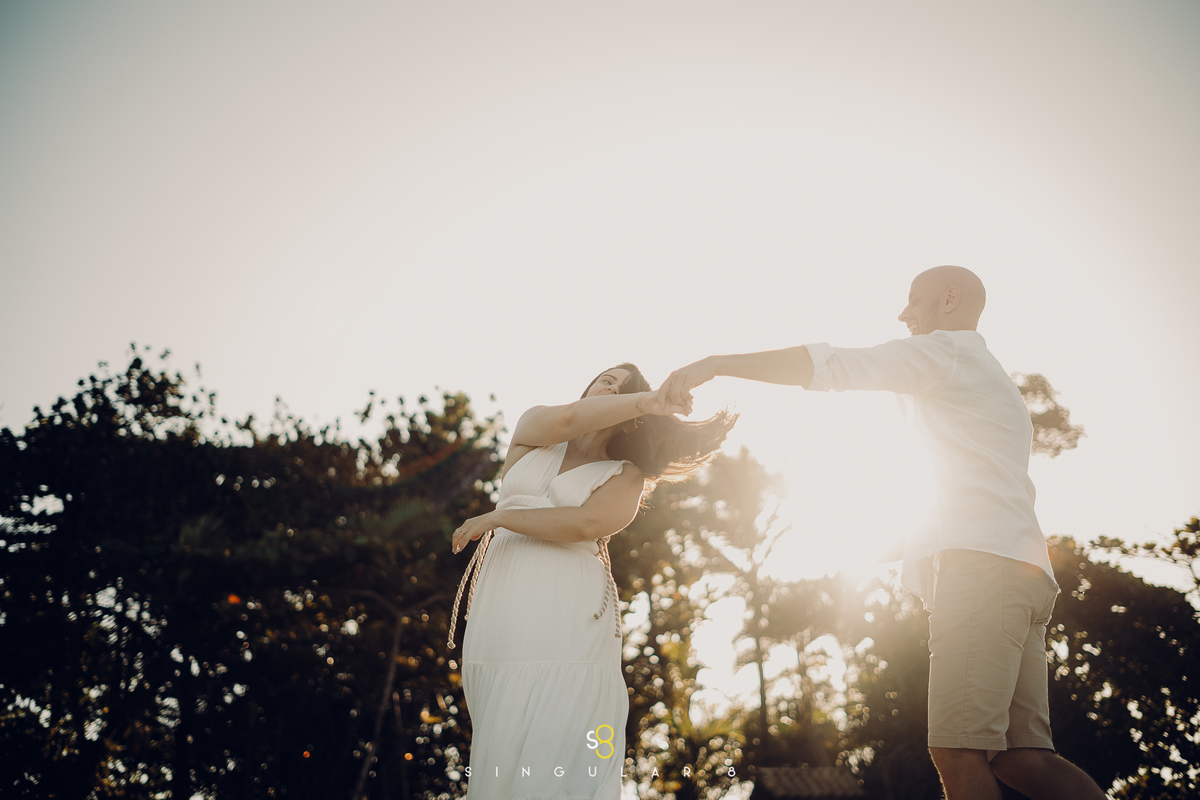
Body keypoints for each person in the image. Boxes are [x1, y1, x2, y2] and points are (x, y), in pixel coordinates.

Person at [660, 266, 1106, 800]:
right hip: (1019, 574)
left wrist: (716, 364)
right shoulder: (991, 379)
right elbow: (964, 496)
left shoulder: (945, 353)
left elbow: (833, 364)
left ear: (949, 300)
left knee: (956, 751)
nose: (903, 314)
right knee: (1023, 759)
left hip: (981, 571)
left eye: (913, 301)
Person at [447, 363, 735, 800]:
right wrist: (649, 398)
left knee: (556, 720)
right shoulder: (534, 431)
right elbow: (566, 421)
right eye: (605, 379)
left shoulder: (627, 475)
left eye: (624, 389)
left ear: (632, 413)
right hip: (501, 598)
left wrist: (501, 516)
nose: (610, 387)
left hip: (568, 604)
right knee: (500, 723)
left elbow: (585, 523)